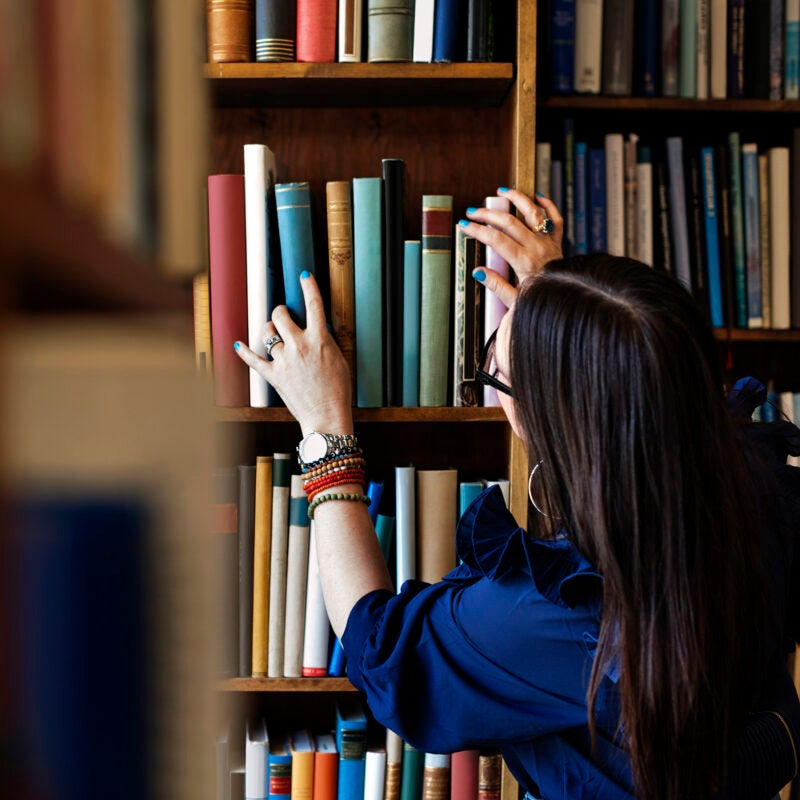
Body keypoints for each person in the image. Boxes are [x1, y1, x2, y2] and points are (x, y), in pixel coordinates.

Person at [234, 189, 800, 800]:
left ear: (546, 419)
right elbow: (637, 379)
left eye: (494, 369)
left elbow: (383, 653)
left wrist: (325, 433)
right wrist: (568, 311)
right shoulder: (760, 480)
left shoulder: (548, 620)